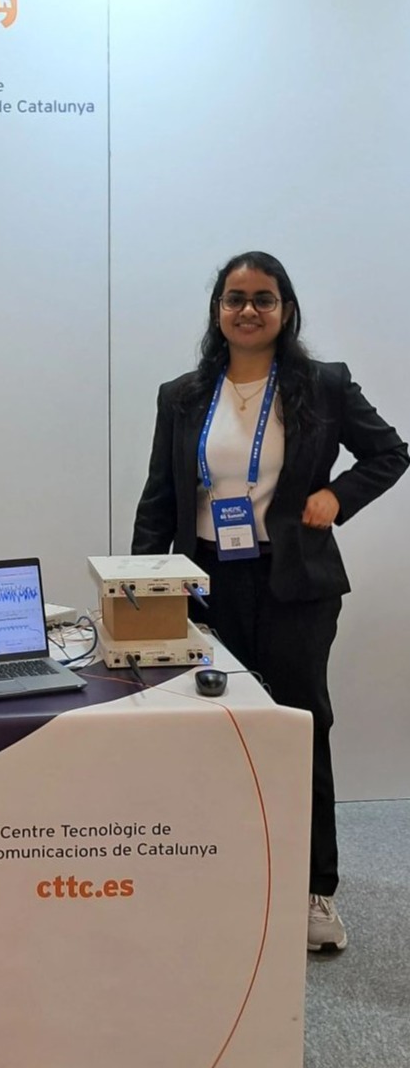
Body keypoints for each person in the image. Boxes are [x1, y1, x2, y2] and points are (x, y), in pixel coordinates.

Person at [131, 250, 408, 954]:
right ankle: (223, 874)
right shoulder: (182, 395)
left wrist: (336, 496)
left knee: (297, 727)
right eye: (234, 298)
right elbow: (160, 497)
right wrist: (137, 589)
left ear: (285, 309)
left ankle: (313, 887)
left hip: (294, 586)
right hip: (205, 585)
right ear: (217, 310)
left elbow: (390, 453)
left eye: (263, 298)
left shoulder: (323, 384)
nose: (248, 310)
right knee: (210, 730)